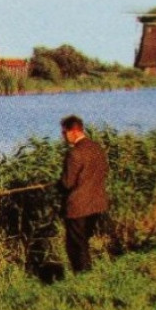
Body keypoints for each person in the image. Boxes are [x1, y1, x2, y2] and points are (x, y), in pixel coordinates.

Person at [58, 114, 110, 274]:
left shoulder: (74, 153)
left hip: (78, 207)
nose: (63, 137)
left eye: (64, 133)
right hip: (97, 204)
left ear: (73, 131)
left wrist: (57, 185)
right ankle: (87, 275)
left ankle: (83, 278)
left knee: (75, 246)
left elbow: (67, 183)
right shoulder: (97, 148)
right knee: (83, 242)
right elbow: (103, 172)